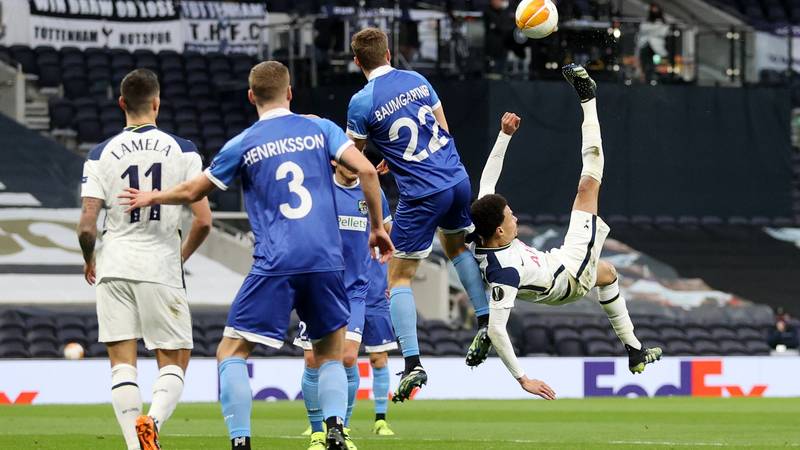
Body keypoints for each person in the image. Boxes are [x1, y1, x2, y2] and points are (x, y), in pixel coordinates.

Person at [119, 61, 393, 450]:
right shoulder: (321, 129)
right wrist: (378, 228)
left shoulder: (244, 143)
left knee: (231, 351)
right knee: (331, 354)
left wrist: (154, 196)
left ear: (251, 96)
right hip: (325, 260)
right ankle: (335, 430)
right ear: (290, 93)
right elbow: (367, 172)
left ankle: (241, 442)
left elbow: (194, 191)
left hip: (276, 260)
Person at [467, 64, 662, 397]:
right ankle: (589, 99)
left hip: (555, 261)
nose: (515, 217)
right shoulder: (504, 272)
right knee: (588, 185)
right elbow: (498, 330)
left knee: (607, 273)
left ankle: (635, 350)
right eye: (510, 216)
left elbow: (487, 181)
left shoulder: (485, 229)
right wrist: (523, 379)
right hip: (568, 279)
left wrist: (504, 135)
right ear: (499, 230)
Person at [347, 27, 491, 403]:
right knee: (456, 248)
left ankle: (412, 362)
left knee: (398, 277)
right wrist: (396, 158)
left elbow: (351, 162)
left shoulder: (361, 103)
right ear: (388, 53)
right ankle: (486, 320)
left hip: (423, 192)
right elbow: (441, 129)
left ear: (358, 61)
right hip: (456, 177)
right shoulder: (417, 80)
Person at [77, 68, 212, 450]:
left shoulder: (99, 154)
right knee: (174, 359)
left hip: (114, 263)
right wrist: (179, 258)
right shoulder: (184, 150)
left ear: (122, 103)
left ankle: (135, 447)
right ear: (156, 102)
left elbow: (87, 225)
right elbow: (204, 221)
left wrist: (90, 259)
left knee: (122, 364)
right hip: (160, 264)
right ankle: (152, 422)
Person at [294, 158, 395, 450]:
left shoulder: (371, 190)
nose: (354, 164)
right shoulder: (318, 189)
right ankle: (316, 433)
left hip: (355, 289)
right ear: (333, 161)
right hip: (319, 285)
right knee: (312, 360)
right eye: (347, 158)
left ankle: (341, 429)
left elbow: (387, 232)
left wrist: (388, 275)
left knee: (349, 357)